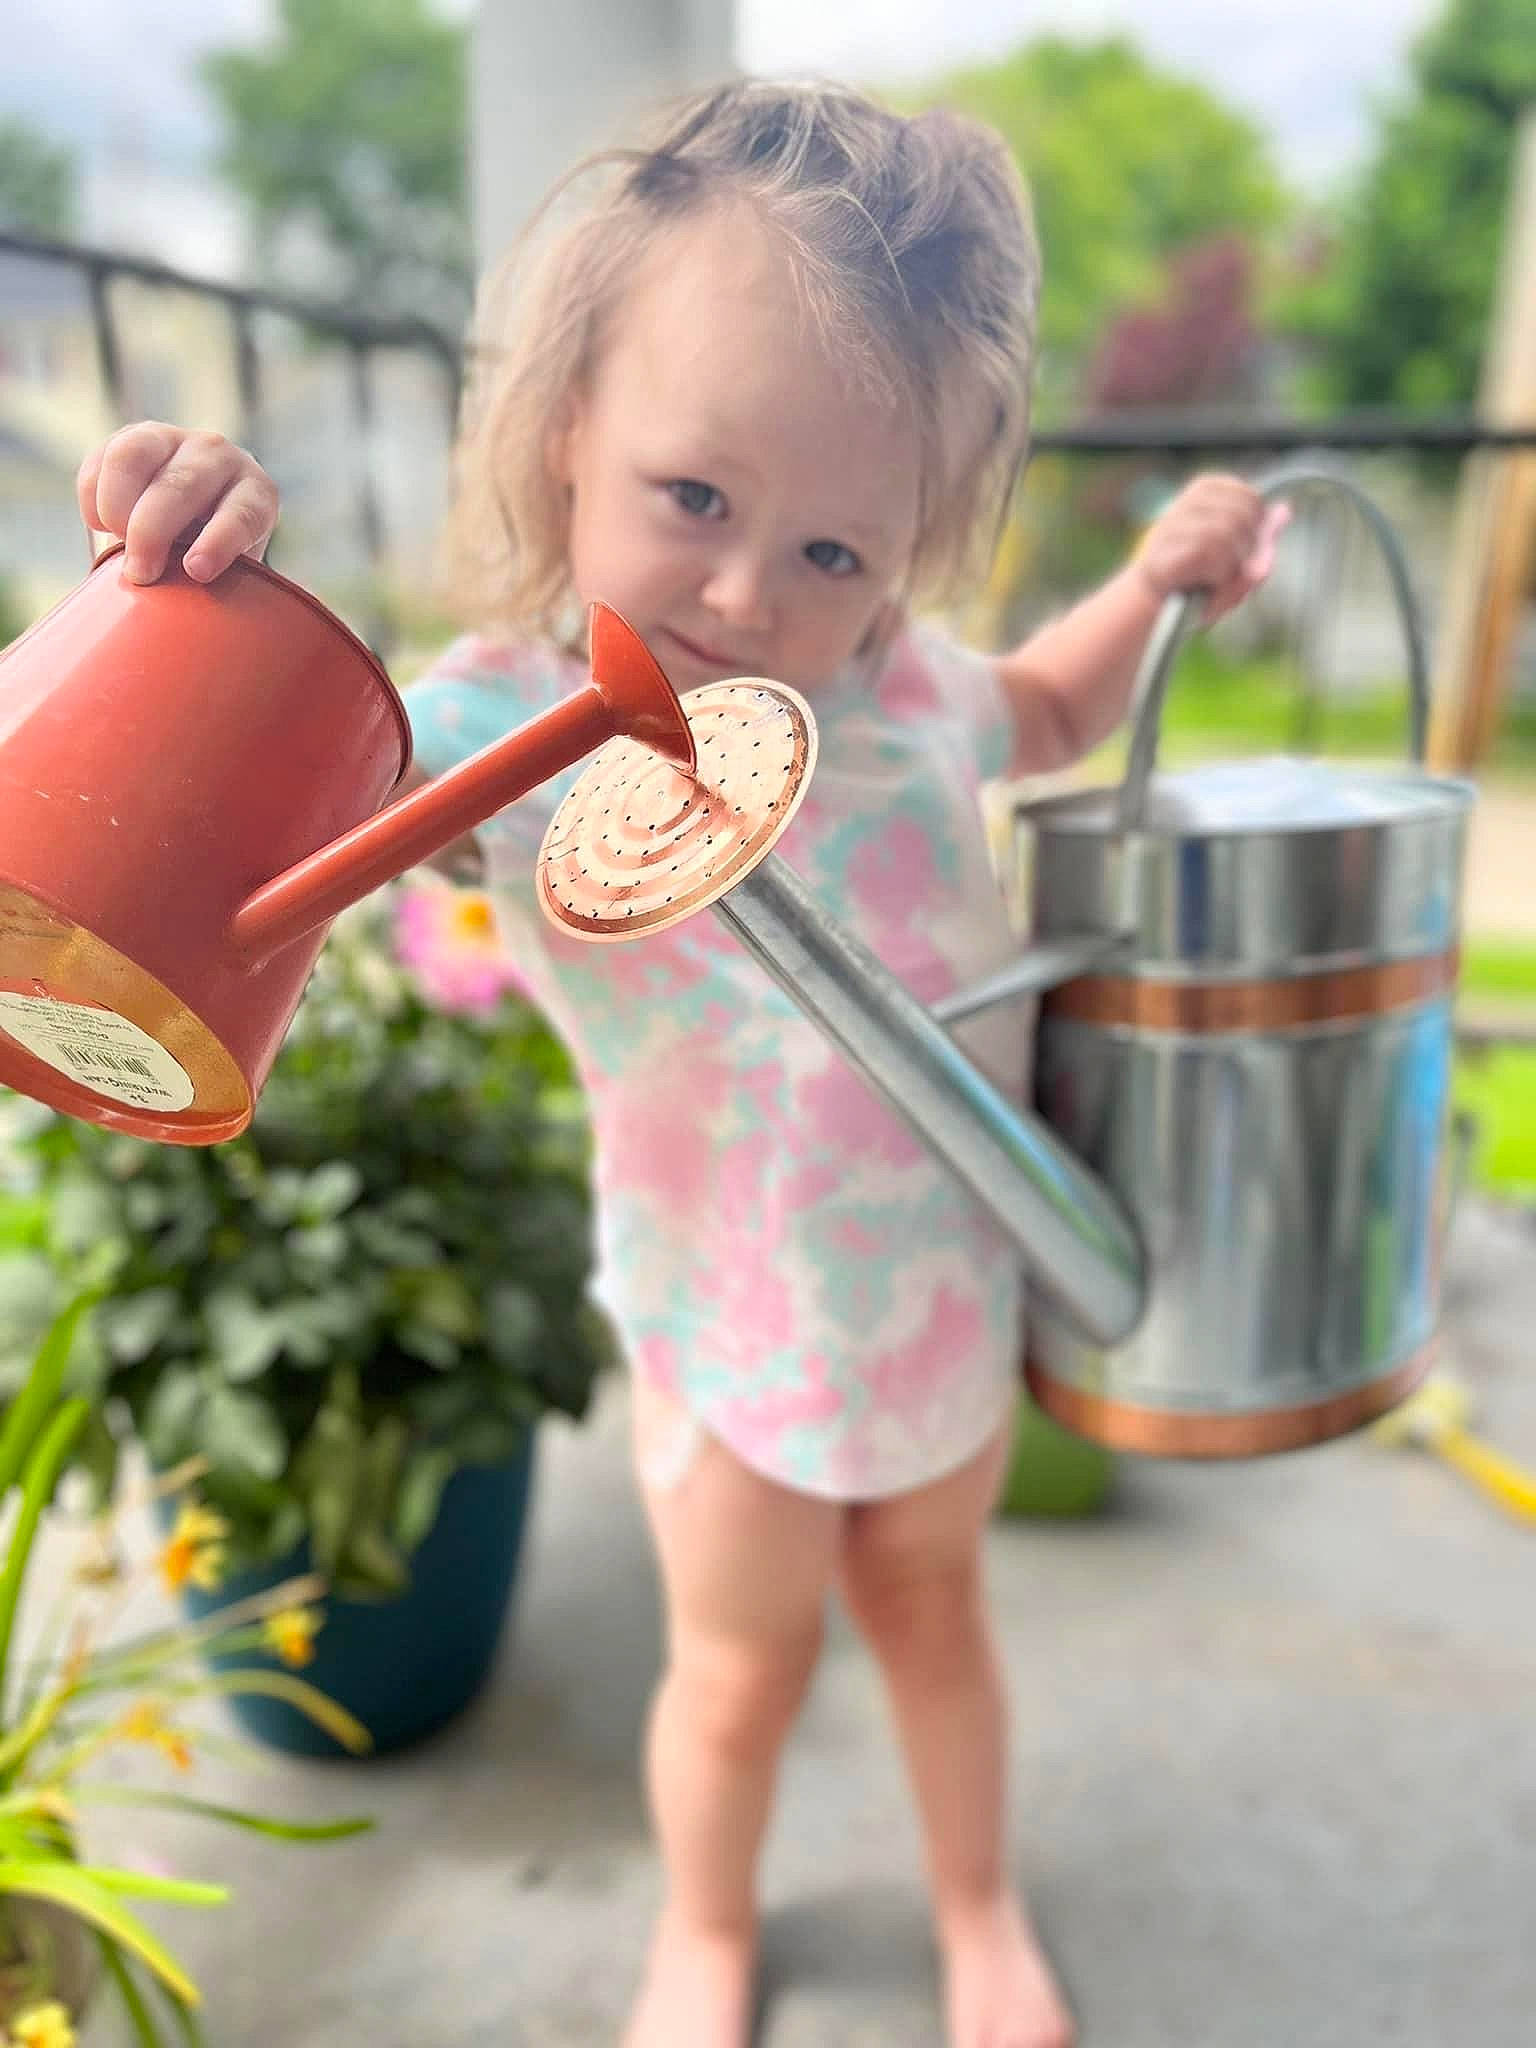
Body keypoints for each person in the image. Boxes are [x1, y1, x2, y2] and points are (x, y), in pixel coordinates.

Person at [77, 78, 1285, 2048]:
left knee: (936, 1617)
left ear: (903, 561)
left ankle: (977, 1905)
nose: (748, 597)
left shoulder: (902, 699)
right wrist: (195, 559)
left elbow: (1055, 703)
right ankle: (702, 1935)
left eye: (832, 546)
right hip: (732, 1326)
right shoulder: (502, 723)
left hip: (940, 1303)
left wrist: (1155, 584)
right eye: (696, 501)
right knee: (733, 1671)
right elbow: (277, 794)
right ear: (570, 433)